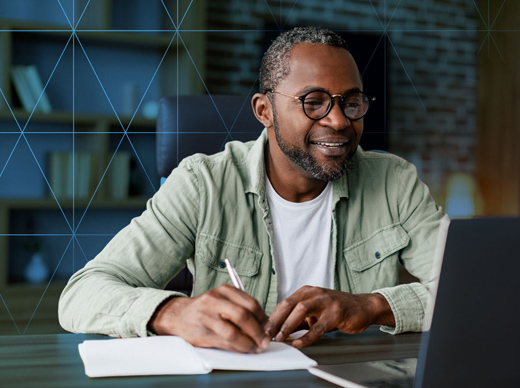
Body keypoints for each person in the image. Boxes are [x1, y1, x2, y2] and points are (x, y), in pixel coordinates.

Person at [58, 27, 445, 354]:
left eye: (352, 102)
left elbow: (469, 293)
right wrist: (173, 313)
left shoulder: (395, 182)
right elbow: (82, 294)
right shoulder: (201, 184)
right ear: (264, 111)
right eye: (314, 102)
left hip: (351, 375)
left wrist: (373, 305)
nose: (339, 120)